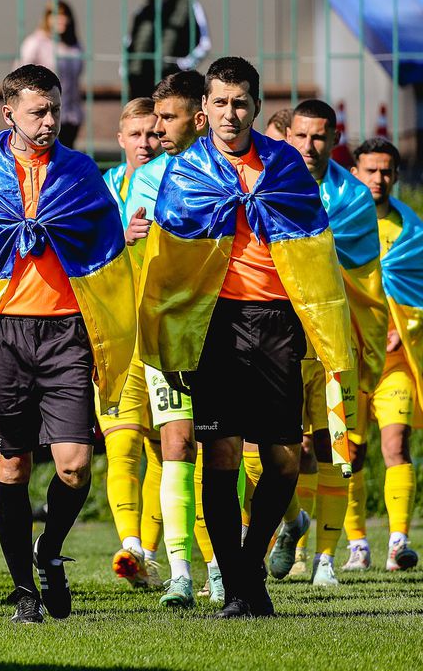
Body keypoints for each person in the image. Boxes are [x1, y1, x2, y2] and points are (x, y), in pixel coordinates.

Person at [137, 57, 353, 618]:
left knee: (284, 458)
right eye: (220, 102)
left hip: (278, 321)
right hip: (215, 323)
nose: (230, 113)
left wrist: (321, 331)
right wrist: (168, 339)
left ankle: (249, 565)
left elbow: (315, 253)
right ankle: (237, 585)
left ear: (256, 107)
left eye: (240, 103)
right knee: (222, 453)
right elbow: (167, 268)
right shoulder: (186, 172)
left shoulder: (284, 164)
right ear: (203, 110)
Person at [0, 64, 135, 624]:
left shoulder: (79, 173)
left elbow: (107, 254)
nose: (50, 122)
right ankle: (24, 589)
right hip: (6, 335)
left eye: (55, 110)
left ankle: (50, 548)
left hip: (67, 331)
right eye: (38, 112)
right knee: (11, 467)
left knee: (73, 466)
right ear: (10, 114)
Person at [263, 100, 383, 587]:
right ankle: (293, 523)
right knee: (269, 447)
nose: (310, 147)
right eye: (301, 137)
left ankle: (326, 559)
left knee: (335, 447)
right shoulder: (264, 181)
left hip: (332, 339)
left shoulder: (353, 197)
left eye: (319, 138)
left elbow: (360, 276)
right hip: (273, 335)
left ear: (335, 141)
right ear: (286, 136)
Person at [124, 70, 220, 606]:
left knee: (226, 449)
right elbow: (128, 255)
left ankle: (224, 563)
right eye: (153, 117)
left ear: (196, 119)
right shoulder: (147, 178)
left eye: (167, 116)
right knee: (177, 442)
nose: (156, 127)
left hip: (223, 327)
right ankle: (182, 570)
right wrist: (130, 238)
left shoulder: (229, 174)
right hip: (166, 328)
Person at [345, 138, 421, 572]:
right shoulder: (341, 224)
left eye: (387, 171)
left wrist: (402, 327)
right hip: (352, 359)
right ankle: (357, 544)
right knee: (349, 452)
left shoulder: (412, 231)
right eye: (371, 170)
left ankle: (398, 541)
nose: (379, 178)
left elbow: (420, 292)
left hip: (395, 362)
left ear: (395, 174)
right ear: (356, 173)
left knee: (397, 444)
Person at [98, 97, 165, 588]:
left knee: (165, 449)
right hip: (117, 333)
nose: (146, 143)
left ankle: (155, 552)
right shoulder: (102, 187)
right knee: (121, 444)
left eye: (154, 134)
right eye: (136, 134)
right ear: (120, 139)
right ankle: (131, 546)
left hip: (166, 333)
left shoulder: (178, 180)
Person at [124, 0, 212, 98]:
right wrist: (126, 68)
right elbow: (129, 42)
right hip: (139, 85)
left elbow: (204, 43)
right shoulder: (142, 12)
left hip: (171, 84)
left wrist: (185, 64)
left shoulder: (188, 7)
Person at [16, 1, 85, 148]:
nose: (62, 20)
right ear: (47, 18)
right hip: (43, 111)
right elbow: (20, 77)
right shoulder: (36, 42)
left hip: (70, 113)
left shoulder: (74, 44)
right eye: (57, 16)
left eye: (65, 16)